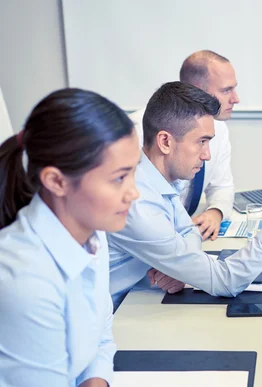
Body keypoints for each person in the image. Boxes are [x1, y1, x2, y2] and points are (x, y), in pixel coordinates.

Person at [108, 81, 262, 308]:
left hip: (136, 303)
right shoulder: (138, 202)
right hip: (117, 318)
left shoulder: (154, 179)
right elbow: (225, 281)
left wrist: (181, 268)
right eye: (201, 142)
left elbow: (188, 231)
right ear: (165, 141)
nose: (207, 155)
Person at [0, 88, 140, 386]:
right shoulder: (24, 279)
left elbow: (99, 334)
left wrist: (96, 379)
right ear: (56, 181)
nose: (134, 192)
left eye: (132, 173)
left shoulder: (93, 237)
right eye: (119, 178)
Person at [130, 50, 239, 241]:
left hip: (185, 238)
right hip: (149, 243)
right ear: (196, 90)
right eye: (226, 90)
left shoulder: (219, 129)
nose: (235, 99)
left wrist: (216, 212)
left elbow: (222, 186)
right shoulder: (135, 133)